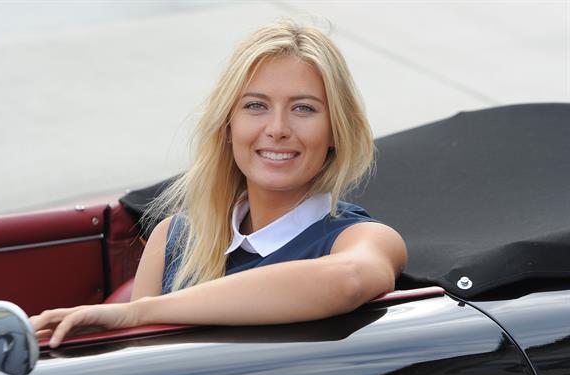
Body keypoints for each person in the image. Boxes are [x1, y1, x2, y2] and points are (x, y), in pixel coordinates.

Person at [31, 20, 407, 348]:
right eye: (255, 106)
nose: (276, 129)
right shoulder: (173, 237)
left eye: (304, 108)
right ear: (228, 126)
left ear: (336, 132)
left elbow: (347, 280)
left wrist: (139, 312)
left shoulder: (361, 240)